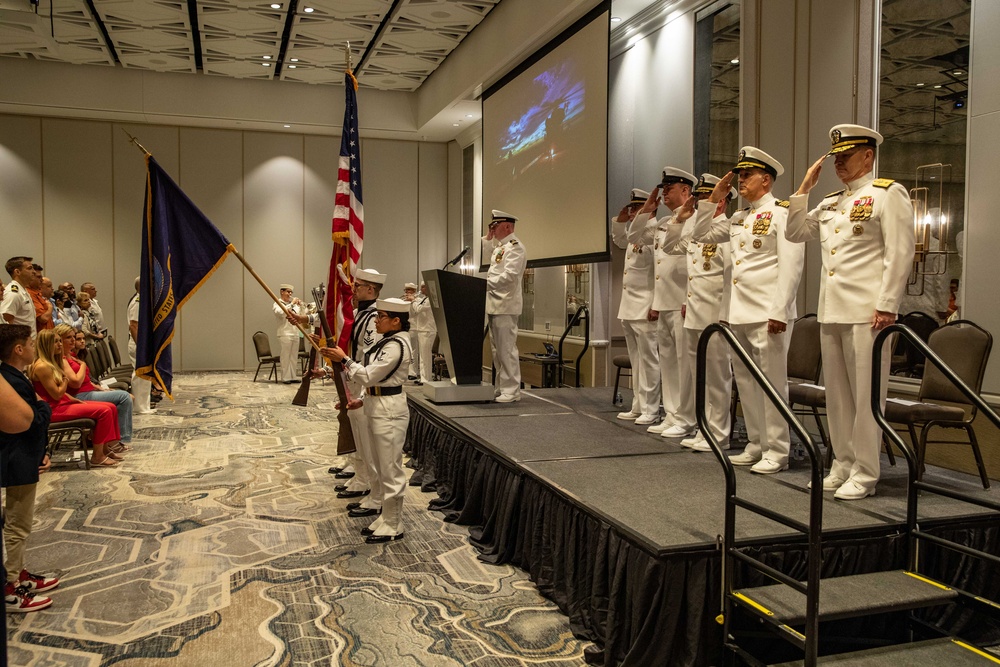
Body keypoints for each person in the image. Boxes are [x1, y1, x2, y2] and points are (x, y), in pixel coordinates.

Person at [786, 124, 915, 500]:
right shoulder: (829, 202)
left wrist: (887, 304)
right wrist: (804, 190)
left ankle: (865, 471)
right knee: (838, 397)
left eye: (845, 156)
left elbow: (899, 252)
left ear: (868, 156)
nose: (839, 162)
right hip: (832, 311)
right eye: (836, 157)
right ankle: (841, 463)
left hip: (868, 313)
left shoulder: (887, 195)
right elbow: (795, 233)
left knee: (866, 396)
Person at [693, 147, 804, 473]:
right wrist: (713, 200)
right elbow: (701, 234)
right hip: (738, 313)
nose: (741, 180)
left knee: (771, 383)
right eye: (739, 175)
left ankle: (777, 450)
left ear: (765, 180)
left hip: (768, 313)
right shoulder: (740, 218)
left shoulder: (782, 213)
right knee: (747, 382)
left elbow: (791, 266)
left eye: (747, 175)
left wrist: (780, 310)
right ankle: (757, 443)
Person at [322, 298, 412, 543]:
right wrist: (361, 398)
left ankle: (394, 523)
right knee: (379, 465)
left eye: (381, 316)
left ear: (396, 321)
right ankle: (385, 515)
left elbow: (369, 375)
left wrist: (344, 359)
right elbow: (371, 379)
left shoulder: (397, 345)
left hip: (389, 409)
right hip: (375, 403)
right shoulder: (387, 341)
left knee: (390, 469)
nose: (376, 319)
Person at [658, 174, 736, 451]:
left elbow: (729, 278)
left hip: (714, 315)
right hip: (693, 313)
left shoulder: (727, 231)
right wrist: (679, 219)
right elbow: (670, 246)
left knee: (717, 376)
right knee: (699, 376)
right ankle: (704, 428)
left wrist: (725, 316)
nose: (701, 202)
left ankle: (719, 433)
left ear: (721, 202)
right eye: (700, 198)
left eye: (707, 198)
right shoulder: (697, 232)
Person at [634, 168, 698, 436]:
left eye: (668, 189)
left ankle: (687, 418)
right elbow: (634, 237)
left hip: (683, 301)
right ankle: (672, 414)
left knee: (685, 365)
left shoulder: (695, 220)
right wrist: (646, 210)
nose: (664, 194)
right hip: (663, 301)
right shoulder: (662, 223)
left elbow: (695, 265)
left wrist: (687, 299)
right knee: (669, 363)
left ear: (685, 191)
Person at [0, 324, 59, 612]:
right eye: (30, 343)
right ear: (18, 349)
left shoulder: (15, 376)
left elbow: (40, 412)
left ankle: (18, 572)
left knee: (20, 522)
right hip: (16, 457)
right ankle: (10, 586)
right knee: (17, 524)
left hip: (26, 455)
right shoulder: (8, 380)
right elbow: (35, 418)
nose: (35, 347)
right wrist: (42, 411)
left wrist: (42, 452)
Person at [331, 268, 387, 520]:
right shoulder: (357, 314)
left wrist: (363, 392)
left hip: (364, 383)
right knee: (356, 435)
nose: (353, 290)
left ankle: (374, 490)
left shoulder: (375, 319)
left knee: (367, 439)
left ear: (371, 290)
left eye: (358, 286)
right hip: (353, 378)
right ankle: (362, 478)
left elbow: (370, 357)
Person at [30, 329, 123, 466]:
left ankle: (105, 449)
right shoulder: (42, 366)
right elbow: (56, 394)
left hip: (61, 404)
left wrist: (74, 399)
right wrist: (66, 380)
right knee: (104, 411)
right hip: (53, 409)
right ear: (46, 344)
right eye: (55, 342)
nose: (60, 344)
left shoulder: (51, 363)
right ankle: (97, 456)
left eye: (59, 341)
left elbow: (57, 393)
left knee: (110, 406)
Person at [611, 188, 660, 425]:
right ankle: (638, 405)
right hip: (629, 306)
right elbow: (620, 240)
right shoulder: (635, 234)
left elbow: (660, 273)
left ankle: (651, 408)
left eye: (636, 208)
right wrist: (619, 222)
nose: (631, 213)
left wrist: (655, 304)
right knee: (636, 359)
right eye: (630, 209)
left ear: (649, 209)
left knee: (649, 361)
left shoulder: (654, 233)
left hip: (646, 306)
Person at [58, 324, 134, 454]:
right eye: (68, 338)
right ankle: (116, 440)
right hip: (80, 395)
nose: (73, 340)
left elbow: (86, 379)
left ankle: (115, 439)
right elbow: (76, 382)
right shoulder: (63, 359)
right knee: (123, 397)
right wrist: (82, 365)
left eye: (73, 337)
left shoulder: (71, 355)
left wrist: (100, 389)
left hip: (88, 391)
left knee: (123, 397)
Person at [486, 209, 527, 403]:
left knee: (506, 349)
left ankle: (512, 390)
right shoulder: (500, 247)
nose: (493, 229)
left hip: (506, 303)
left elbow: (510, 277)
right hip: (494, 304)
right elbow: (488, 259)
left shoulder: (515, 247)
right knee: (497, 351)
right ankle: (502, 386)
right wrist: (488, 237)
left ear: (508, 226)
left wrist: (485, 285)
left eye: (496, 226)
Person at [128, 276, 155, 414]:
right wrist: (141, 347)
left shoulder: (143, 301)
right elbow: (133, 325)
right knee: (140, 375)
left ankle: (144, 405)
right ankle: (139, 407)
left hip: (142, 344)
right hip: (138, 344)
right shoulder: (138, 302)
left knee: (145, 376)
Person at [274, 284, 305, 384]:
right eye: (288, 292)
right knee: (285, 356)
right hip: (284, 333)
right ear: (282, 292)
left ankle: (293, 376)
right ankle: (285, 377)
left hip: (295, 333)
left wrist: (301, 306)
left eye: (291, 292)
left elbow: (301, 317)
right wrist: (292, 304)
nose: (290, 294)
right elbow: (281, 313)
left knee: (293, 356)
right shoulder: (278, 303)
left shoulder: (294, 305)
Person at [2, 256, 39, 336]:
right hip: (19, 344)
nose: (34, 272)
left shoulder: (23, 290)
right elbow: (6, 323)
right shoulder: (13, 293)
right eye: (29, 268)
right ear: (17, 272)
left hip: (28, 342)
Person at [409, 282, 436, 385]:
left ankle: (426, 379)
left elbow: (419, 309)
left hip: (427, 329)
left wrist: (413, 300)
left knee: (425, 356)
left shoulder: (430, 300)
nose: (421, 289)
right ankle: (424, 377)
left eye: (423, 287)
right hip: (422, 329)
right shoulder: (424, 299)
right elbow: (415, 310)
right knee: (423, 356)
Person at [401, 282, 420, 381]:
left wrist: (412, 301)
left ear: (413, 291)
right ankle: (407, 371)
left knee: (414, 351)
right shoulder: (404, 300)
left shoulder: (418, 300)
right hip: (406, 328)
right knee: (407, 350)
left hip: (415, 328)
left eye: (409, 290)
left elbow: (416, 312)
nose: (407, 292)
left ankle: (413, 372)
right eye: (406, 290)